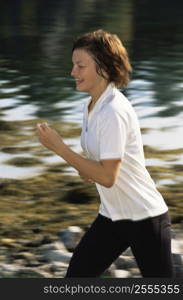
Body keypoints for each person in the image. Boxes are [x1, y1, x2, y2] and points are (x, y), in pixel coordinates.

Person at [36, 29, 174, 278]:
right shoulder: (92, 106)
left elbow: (108, 176)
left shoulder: (113, 111)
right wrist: (87, 170)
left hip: (144, 216)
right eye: (73, 65)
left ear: (103, 67)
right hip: (112, 215)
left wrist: (59, 147)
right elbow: (99, 170)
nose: (72, 73)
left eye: (80, 66)